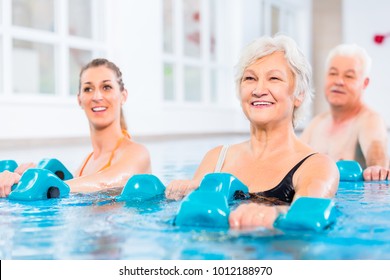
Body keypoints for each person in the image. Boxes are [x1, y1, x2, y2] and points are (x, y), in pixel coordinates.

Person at [165, 35, 339, 230]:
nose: (258, 90)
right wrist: (182, 193)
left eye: (274, 78)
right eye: (250, 78)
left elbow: (309, 214)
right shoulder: (217, 158)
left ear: (299, 94)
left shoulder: (317, 166)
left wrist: (274, 213)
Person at [0, 58, 151, 196]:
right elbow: (74, 187)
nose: (97, 97)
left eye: (106, 87)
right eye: (88, 89)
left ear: (123, 96)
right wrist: (20, 180)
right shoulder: (86, 163)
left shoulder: (137, 153)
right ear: (79, 99)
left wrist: (41, 184)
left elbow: (105, 182)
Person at [300, 43, 389, 181]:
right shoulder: (316, 123)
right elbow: (292, 161)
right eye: (333, 73)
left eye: (349, 76)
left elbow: (375, 149)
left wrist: (377, 168)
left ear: (364, 83)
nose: (339, 81)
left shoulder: (369, 119)